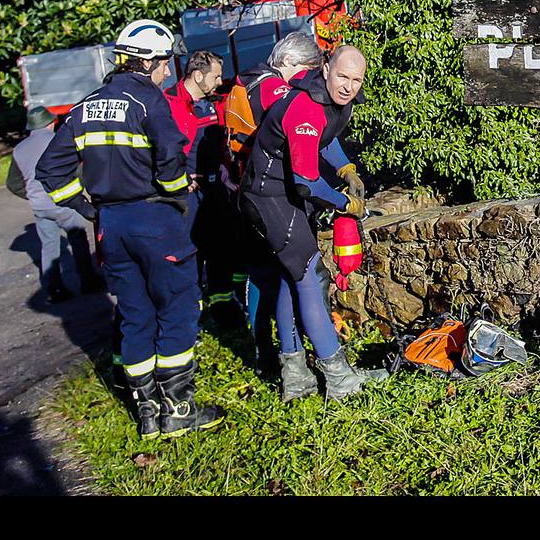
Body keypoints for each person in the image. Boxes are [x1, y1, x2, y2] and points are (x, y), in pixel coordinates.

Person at [36, 19, 225, 440]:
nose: (168, 70)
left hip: (110, 225)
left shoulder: (86, 106)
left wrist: (85, 207)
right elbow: (172, 159)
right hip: (155, 219)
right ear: (151, 61)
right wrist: (178, 197)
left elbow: (50, 169)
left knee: (135, 315)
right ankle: (178, 409)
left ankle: (148, 413)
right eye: (166, 62)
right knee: (176, 307)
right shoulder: (149, 102)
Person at [241, 44, 385, 401]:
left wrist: (345, 168)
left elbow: (328, 137)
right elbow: (307, 181)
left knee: (293, 279)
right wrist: (344, 203)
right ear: (325, 70)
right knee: (310, 276)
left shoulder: (337, 99)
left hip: (283, 195)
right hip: (269, 198)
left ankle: (296, 377)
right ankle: (337, 377)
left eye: (356, 79)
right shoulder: (306, 106)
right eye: (342, 77)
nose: (349, 86)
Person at [222, 32, 324, 375]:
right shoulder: (273, 89)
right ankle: (278, 358)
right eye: (308, 68)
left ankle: (268, 355)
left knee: (263, 277)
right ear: (290, 62)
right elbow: (293, 133)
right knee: (280, 279)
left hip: (242, 191)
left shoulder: (242, 83)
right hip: (269, 197)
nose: (308, 77)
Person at [165, 50, 239, 325]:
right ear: (198, 75)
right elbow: (164, 151)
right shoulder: (170, 104)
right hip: (187, 195)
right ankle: (190, 317)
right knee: (190, 254)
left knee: (220, 250)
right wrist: (181, 179)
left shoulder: (210, 104)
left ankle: (223, 308)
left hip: (214, 189)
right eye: (215, 76)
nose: (220, 82)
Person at [7, 106, 105, 303]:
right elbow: (77, 171)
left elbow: (13, 184)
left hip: (40, 207)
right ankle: (88, 281)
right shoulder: (58, 141)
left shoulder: (19, 149)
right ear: (51, 123)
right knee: (78, 241)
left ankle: (54, 290)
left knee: (49, 247)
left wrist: (33, 195)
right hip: (65, 202)